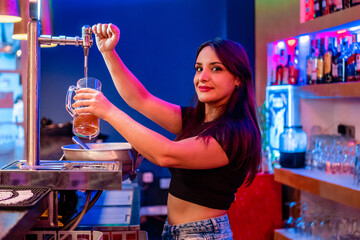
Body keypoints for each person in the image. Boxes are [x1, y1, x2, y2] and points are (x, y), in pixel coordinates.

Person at [73, 23, 261, 239]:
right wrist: (108, 52)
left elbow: (165, 154)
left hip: (202, 235)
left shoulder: (234, 133)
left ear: (238, 79)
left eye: (216, 68)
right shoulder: (197, 119)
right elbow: (140, 99)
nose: (203, 77)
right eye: (199, 68)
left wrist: (108, 111)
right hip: (174, 232)